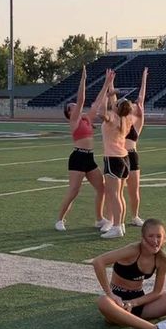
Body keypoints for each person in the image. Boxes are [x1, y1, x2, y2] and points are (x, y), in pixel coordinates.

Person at [92, 218, 166, 329]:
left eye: (159, 236)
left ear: (164, 238)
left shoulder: (161, 259)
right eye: (151, 236)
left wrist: (134, 303)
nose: (155, 241)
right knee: (103, 301)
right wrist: (110, 294)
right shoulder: (132, 250)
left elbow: (157, 292)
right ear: (143, 238)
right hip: (118, 303)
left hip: (140, 303)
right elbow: (98, 262)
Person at [55, 65, 109, 232]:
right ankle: (59, 220)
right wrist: (83, 79)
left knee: (102, 187)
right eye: (72, 107)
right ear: (69, 113)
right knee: (74, 191)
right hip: (78, 158)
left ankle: (99, 219)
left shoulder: (86, 120)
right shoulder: (75, 121)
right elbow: (81, 100)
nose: (77, 107)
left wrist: (107, 83)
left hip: (89, 158)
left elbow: (98, 103)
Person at [97, 70, 133, 239]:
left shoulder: (112, 117)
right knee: (119, 195)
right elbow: (113, 104)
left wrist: (106, 91)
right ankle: (121, 224)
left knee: (113, 195)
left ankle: (117, 226)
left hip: (113, 159)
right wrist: (110, 82)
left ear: (118, 107)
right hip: (124, 158)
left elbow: (101, 111)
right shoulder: (125, 119)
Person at [124, 67, 148, 227]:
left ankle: (135, 216)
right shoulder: (119, 121)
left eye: (135, 104)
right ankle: (112, 218)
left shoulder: (138, 122)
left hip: (132, 155)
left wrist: (144, 79)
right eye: (131, 104)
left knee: (134, 190)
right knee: (115, 191)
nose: (133, 104)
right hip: (119, 156)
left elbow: (141, 97)